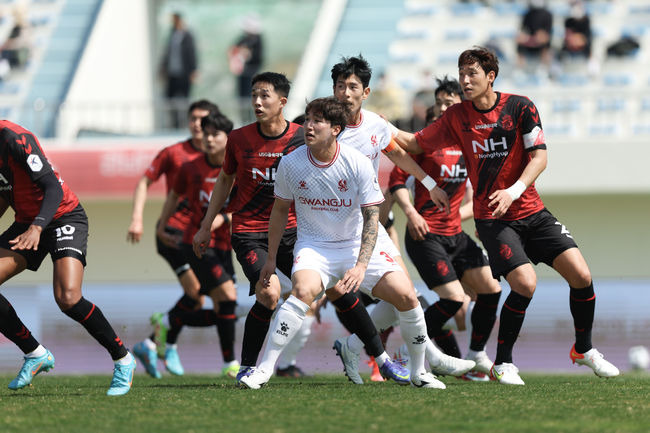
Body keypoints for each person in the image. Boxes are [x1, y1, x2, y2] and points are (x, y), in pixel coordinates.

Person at [392, 46, 619, 385]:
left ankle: (583, 349)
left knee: (582, 276)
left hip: (532, 210)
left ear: (490, 77)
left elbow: (539, 157)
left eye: (472, 75)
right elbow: (414, 144)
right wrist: (375, 126)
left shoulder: (520, 106)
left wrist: (514, 190)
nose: (465, 81)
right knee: (525, 283)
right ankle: (503, 363)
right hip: (493, 219)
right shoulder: (456, 117)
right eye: (462, 74)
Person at [193, 72, 406, 385]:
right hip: (251, 233)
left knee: (339, 288)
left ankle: (382, 360)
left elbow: (341, 148)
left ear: (282, 102)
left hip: (296, 231)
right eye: (253, 95)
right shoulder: (238, 139)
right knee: (269, 294)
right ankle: (247, 367)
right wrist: (206, 224)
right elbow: (225, 180)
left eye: (264, 95)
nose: (257, 102)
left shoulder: (302, 135)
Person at [239, 97, 445, 390]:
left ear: (336, 129)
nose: (308, 126)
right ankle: (263, 370)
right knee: (301, 292)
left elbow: (372, 217)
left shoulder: (357, 163)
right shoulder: (290, 163)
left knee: (407, 296)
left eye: (317, 121)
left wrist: (361, 266)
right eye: (307, 119)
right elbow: (280, 212)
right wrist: (271, 260)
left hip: (354, 246)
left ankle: (418, 372)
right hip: (314, 246)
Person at [328, 56, 475, 384]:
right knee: (298, 297)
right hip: (328, 232)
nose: (346, 93)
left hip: (368, 226)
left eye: (353, 86)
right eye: (340, 86)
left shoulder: (376, 125)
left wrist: (431, 184)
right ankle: (258, 366)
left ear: (365, 92)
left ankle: (417, 365)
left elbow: (399, 154)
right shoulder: (321, 127)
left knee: (407, 296)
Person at [0, 120, 135, 396]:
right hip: (26, 222)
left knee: (68, 298)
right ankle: (35, 353)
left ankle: (123, 358)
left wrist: (37, 227)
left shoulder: (16, 138)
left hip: (63, 217)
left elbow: (53, 188)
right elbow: (4, 194)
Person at [389, 77, 502, 383]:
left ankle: (475, 354)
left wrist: (477, 219)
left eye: (447, 103)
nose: (441, 108)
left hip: (456, 236)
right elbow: (397, 180)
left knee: (492, 290)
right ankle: (407, 349)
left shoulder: (471, 143)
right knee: (453, 300)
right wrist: (411, 212)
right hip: (426, 236)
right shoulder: (426, 140)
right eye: (438, 102)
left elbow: (475, 196)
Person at [128, 99, 219, 379]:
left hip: (201, 234)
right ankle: (166, 342)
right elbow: (145, 181)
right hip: (172, 233)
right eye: (192, 118)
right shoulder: (173, 153)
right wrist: (137, 218)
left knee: (200, 298)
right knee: (195, 293)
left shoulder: (221, 155)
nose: (196, 124)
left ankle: (156, 341)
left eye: (202, 119)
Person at [154, 112, 239, 378]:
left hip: (226, 245)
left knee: (224, 309)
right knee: (228, 298)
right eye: (206, 134)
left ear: (228, 138)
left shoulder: (239, 169)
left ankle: (167, 321)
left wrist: (223, 218)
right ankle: (231, 364)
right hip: (199, 243)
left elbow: (245, 207)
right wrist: (160, 225)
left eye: (216, 134)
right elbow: (173, 196)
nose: (209, 139)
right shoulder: (190, 168)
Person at [160, 12, 198, 129]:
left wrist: (193, 70)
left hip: (184, 74)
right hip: (172, 73)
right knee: (170, 98)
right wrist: (163, 69)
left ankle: (185, 124)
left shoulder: (187, 35)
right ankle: (174, 123)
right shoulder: (172, 34)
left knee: (184, 99)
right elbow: (167, 54)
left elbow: (192, 53)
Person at [229, 13, 264, 124]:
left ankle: (250, 120)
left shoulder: (257, 40)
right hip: (242, 73)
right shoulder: (243, 39)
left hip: (251, 73)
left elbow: (256, 57)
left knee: (250, 97)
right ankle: (244, 120)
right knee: (242, 98)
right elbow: (233, 50)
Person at [516, 0, 553, 73]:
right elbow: (523, 30)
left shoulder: (548, 14)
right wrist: (526, 38)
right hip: (530, 40)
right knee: (520, 42)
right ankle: (520, 70)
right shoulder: (527, 14)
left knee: (545, 42)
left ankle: (546, 70)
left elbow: (546, 34)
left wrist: (540, 37)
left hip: (541, 41)